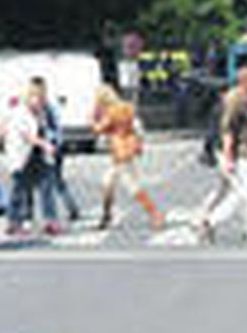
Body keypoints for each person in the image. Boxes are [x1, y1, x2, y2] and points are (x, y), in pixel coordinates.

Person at [197, 66, 247, 245]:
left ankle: (208, 221)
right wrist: (229, 158)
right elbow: (227, 130)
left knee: (231, 192)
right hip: (240, 153)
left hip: (245, 150)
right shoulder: (235, 98)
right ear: (245, 81)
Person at [92, 84, 164, 230]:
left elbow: (99, 129)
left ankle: (155, 214)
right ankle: (106, 216)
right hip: (126, 151)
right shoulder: (127, 107)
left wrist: (92, 118)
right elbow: (136, 126)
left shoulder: (112, 112)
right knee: (107, 183)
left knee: (132, 187)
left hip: (120, 153)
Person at [6, 85, 61, 236]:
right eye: (37, 98)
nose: (40, 102)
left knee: (46, 189)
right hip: (23, 155)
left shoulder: (41, 113)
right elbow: (26, 135)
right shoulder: (20, 113)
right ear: (29, 98)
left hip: (39, 157)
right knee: (20, 190)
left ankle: (50, 220)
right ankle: (14, 221)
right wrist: (45, 145)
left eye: (42, 99)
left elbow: (46, 130)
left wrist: (52, 141)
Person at [30, 77, 82, 224]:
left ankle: (54, 213)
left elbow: (55, 128)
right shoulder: (46, 106)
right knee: (56, 181)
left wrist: (53, 143)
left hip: (51, 148)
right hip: (50, 147)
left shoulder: (47, 108)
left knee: (48, 183)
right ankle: (71, 208)